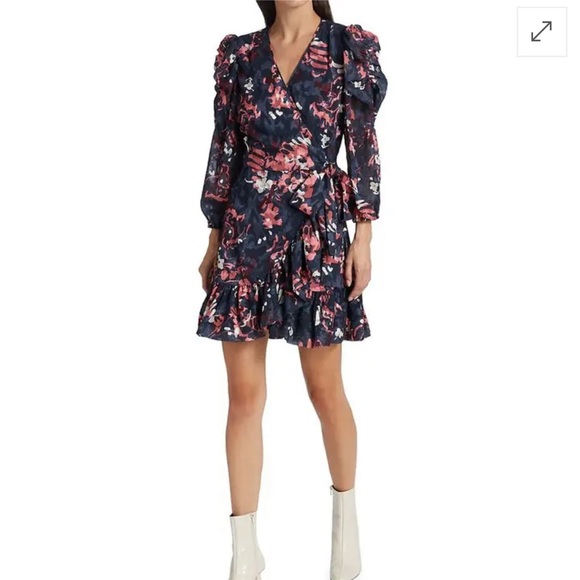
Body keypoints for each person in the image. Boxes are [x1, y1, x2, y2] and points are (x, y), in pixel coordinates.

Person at [196, 1, 388, 578]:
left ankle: (346, 534)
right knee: (243, 396)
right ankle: (244, 553)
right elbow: (225, 148)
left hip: (316, 229)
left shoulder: (347, 48)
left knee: (325, 390)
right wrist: (213, 238)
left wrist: (364, 235)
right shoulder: (240, 55)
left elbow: (363, 145)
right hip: (246, 227)